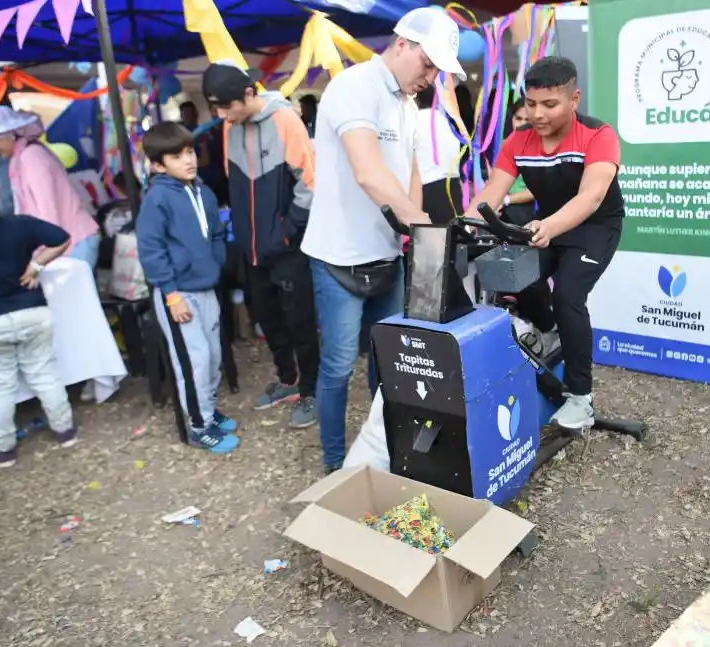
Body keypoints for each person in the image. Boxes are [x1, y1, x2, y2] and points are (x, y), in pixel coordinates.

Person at [302, 6, 465, 472]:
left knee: (390, 362)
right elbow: (369, 173)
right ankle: (335, 465)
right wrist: (424, 227)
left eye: (436, 71)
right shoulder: (353, 87)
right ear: (401, 44)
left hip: (386, 255)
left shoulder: (408, 105)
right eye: (427, 64)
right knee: (337, 367)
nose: (429, 78)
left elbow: (409, 173)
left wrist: (413, 233)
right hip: (338, 255)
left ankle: (385, 453)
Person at [461, 56, 625, 432]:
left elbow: (591, 197)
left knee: (568, 295)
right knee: (513, 274)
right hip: (550, 225)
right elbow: (492, 192)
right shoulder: (518, 141)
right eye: (531, 103)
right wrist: (463, 227)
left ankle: (580, 399)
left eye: (550, 104)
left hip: (595, 227)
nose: (537, 114)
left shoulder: (598, 135)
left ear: (574, 99)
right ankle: (552, 334)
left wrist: (549, 226)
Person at [202, 60, 319, 428]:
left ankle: (312, 389)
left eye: (226, 106)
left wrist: (287, 230)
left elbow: (310, 182)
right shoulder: (229, 127)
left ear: (249, 93)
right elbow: (234, 181)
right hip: (251, 247)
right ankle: (288, 380)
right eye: (216, 108)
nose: (221, 115)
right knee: (268, 318)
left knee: (300, 320)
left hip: (286, 246)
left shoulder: (284, 119)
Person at [0, 165, 78, 467]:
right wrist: (36, 267)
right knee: (45, 374)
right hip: (32, 311)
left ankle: (4, 450)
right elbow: (62, 238)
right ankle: (65, 432)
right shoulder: (21, 223)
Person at [135, 122, 240, 454]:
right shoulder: (157, 198)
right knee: (194, 360)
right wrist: (171, 294)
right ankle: (198, 426)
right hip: (178, 295)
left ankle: (206, 410)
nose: (188, 160)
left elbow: (218, 234)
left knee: (213, 356)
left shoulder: (204, 192)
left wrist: (216, 265)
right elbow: (151, 250)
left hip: (206, 288)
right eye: (177, 156)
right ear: (158, 165)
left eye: (190, 152)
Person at [0, 106, 100, 268]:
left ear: (11, 133)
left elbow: (48, 207)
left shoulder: (32, 156)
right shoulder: (20, 158)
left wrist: (43, 254)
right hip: (63, 242)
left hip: (71, 242)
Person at [415, 86, 462, 224]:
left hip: (427, 188)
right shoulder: (447, 120)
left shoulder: (414, 119)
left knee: (430, 235)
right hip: (453, 186)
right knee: (453, 233)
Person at [499, 98, 536, 227]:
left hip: (524, 211)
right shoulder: (501, 145)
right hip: (500, 207)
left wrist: (506, 200)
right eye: (518, 118)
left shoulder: (540, 148)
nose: (521, 124)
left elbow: (535, 192)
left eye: (527, 120)